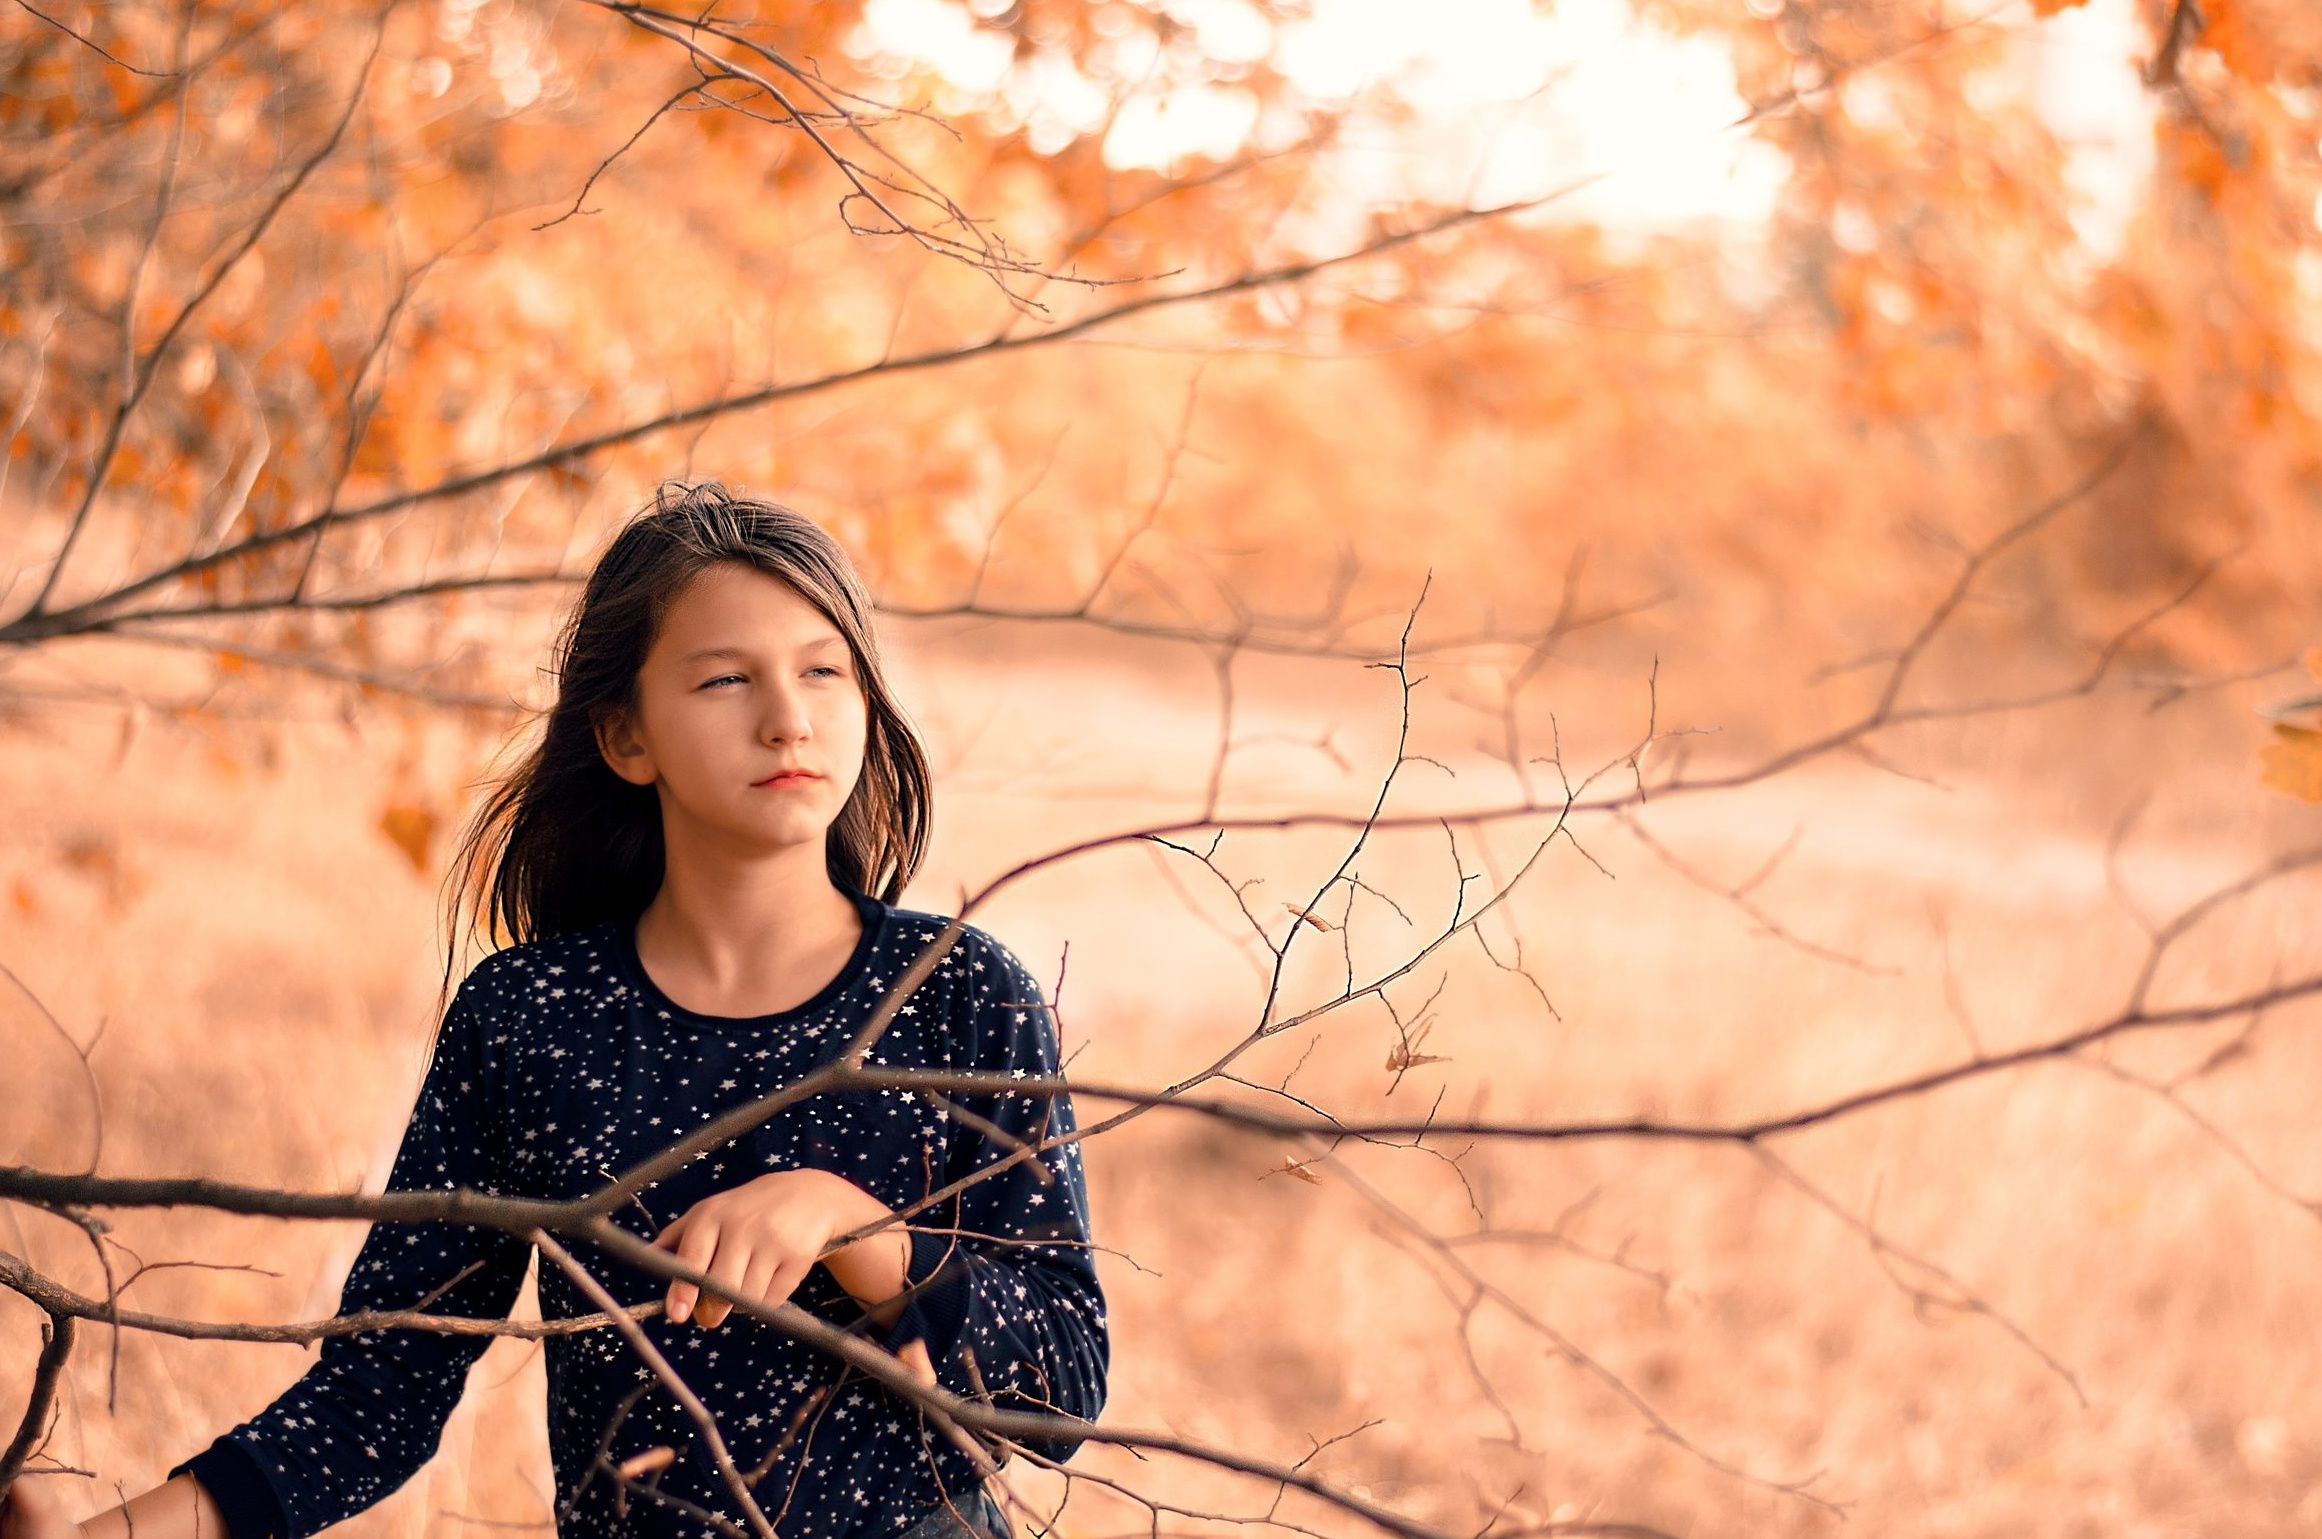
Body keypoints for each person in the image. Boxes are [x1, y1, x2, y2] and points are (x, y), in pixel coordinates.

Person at [0, 483, 1108, 1539]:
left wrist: (850, 1227)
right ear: (626, 737)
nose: (787, 720)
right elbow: (384, 1384)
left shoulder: (959, 994)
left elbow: (1064, 1382)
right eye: (726, 681)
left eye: (825, 672)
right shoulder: (532, 1019)